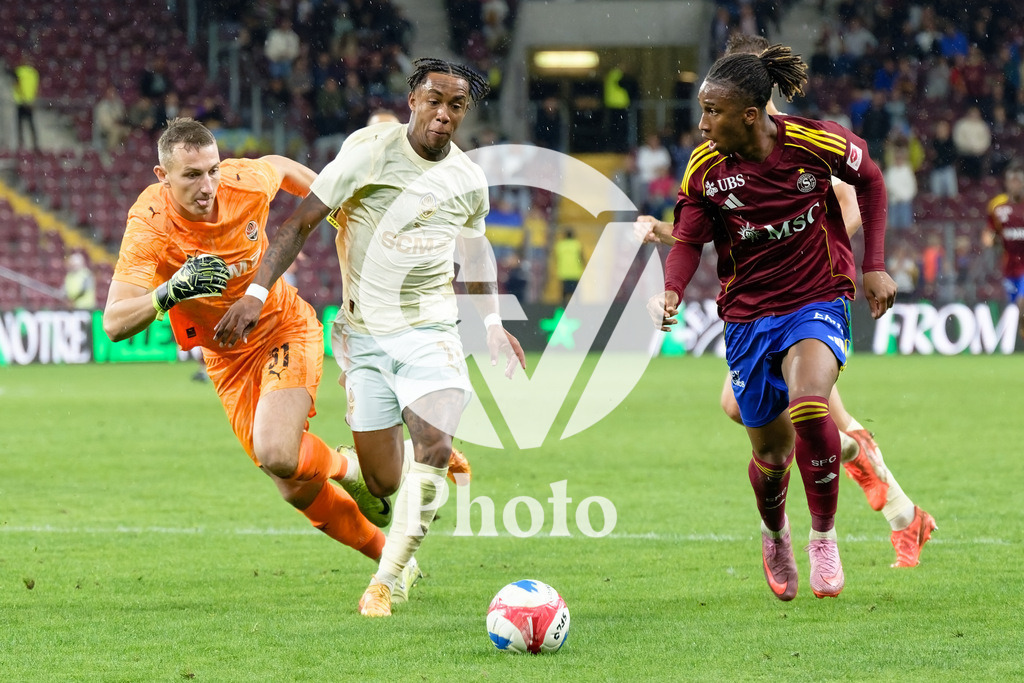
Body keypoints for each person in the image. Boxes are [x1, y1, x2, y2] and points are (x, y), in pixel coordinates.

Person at [214, 58, 526, 617]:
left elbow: (475, 251)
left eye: (456, 106)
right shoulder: (368, 156)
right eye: (434, 100)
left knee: (432, 442)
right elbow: (300, 224)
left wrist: (492, 322)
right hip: (364, 335)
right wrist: (256, 293)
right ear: (412, 98)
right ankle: (402, 464)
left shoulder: (467, 179)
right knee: (382, 481)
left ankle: (387, 580)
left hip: (432, 326)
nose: (444, 114)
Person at [637, 35, 936, 578]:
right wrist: (678, 250)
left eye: (713, 108)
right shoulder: (710, 164)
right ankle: (891, 508)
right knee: (762, 425)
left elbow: (859, 193)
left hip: (814, 291)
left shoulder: (810, 140)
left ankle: (848, 528)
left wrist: (857, 260)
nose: (703, 120)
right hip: (751, 309)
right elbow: (700, 227)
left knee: (810, 409)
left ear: (754, 103)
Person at [100, 117, 424, 602]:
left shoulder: (241, 180)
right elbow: (114, 322)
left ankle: (350, 469)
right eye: (191, 176)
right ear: (161, 176)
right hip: (225, 358)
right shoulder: (150, 223)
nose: (208, 184)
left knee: (277, 452)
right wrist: (169, 291)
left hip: (280, 329)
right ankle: (392, 559)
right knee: (292, 485)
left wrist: (336, 206)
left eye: (211, 170)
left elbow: (282, 168)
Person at [983, 161, 1024, 334]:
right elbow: (990, 232)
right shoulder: (997, 206)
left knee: (1023, 303)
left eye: (1018, 180)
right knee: (1019, 309)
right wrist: (990, 240)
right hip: (1009, 265)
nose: (1015, 184)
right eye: (1011, 180)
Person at [9, 54, 40, 151]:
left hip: (29, 103)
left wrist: (32, 100)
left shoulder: (34, 73)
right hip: (21, 103)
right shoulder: (19, 71)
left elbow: (36, 88)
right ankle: (21, 144)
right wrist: (23, 98)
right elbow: (17, 84)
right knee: (21, 125)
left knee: (31, 125)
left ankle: (34, 145)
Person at [553, 227, 585, 305]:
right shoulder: (577, 244)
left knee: (564, 292)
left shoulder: (560, 245)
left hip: (564, 272)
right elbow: (581, 257)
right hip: (575, 272)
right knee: (576, 292)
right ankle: (577, 307)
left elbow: (556, 258)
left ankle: (563, 307)